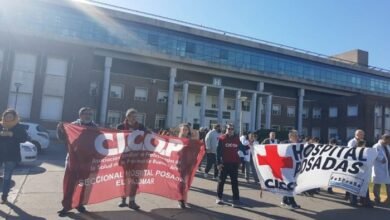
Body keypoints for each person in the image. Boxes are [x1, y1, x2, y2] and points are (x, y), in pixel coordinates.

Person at [57, 107, 98, 216]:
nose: (88, 115)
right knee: (70, 183)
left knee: (83, 185)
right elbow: (62, 139)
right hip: (73, 159)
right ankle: (66, 206)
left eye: (90, 113)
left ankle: (80, 204)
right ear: (80, 115)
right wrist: (60, 130)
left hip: (87, 161)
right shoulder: (72, 126)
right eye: (85, 113)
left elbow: (101, 144)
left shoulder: (95, 128)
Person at [117, 108, 145, 210]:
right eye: (132, 116)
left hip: (137, 158)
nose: (134, 118)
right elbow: (116, 140)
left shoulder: (141, 127)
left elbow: (147, 138)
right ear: (127, 117)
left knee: (134, 179)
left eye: (135, 116)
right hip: (124, 157)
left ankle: (132, 201)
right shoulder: (120, 127)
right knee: (124, 179)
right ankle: (123, 199)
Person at [0, 109, 28, 204]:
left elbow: (24, 138)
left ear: (14, 117)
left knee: (7, 176)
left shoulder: (18, 127)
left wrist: (12, 134)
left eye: (10, 116)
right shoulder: (0, 125)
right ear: (4, 117)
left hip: (11, 155)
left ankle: (4, 196)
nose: (8, 118)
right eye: (6, 116)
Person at [216, 124, 242, 208]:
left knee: (234, 182)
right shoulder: (222, 138)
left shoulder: (237, 139)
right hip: (224, 164)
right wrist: (218, 163)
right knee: (221, 181)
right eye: (229, 128)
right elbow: (218, 152)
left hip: (234, 164)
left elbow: (242, 149)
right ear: (226, 129)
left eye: (232, 129)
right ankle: (219, 198)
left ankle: (236, 199)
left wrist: (252, 146)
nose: (230, 130)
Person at [281, 130, 301, 209]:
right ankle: (292, 203)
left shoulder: (299, 145)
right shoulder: (284, 143)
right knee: (290, 185)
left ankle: (284, 200)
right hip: (286, 168)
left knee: (290, 185)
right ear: (290, 137)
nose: (297, 137)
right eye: (295, 135)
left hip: (294, 169)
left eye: (297, 135)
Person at [346, 129, 365, 206]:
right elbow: (351, 152)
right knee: (352, 181)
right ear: (357, 135)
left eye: (363, 135)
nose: (363, 136)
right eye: (361, 135)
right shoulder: (352, 142)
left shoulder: (363, 141)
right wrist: (359, 145)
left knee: (359, 182)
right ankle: (352, 199)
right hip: (353, 165)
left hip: (360, 164)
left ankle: (359, 198)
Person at [372, 134, 390, 205]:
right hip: (379, 168)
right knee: (377, 185)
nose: (389, 142)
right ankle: (377, 199)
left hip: (387, 168)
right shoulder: (376, 146)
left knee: (388, 185)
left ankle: (388, 199)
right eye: (388, 140)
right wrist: (381, 159)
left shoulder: (387, 146)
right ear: (384, 139)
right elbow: (375, 155)